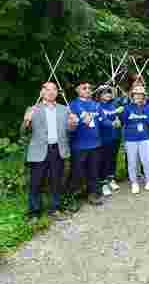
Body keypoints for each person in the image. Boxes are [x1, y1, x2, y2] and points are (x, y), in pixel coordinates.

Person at [22, 82, 77, 222]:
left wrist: (73, 124)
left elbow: (70, 131)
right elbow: (23, 132)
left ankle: (55, 209)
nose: (51, 92)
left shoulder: (64, 109)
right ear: (42, 92)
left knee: (56, 181)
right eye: (48, 89)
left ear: (57, 93)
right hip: (39, 151)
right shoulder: (33, 109)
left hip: (57, 150)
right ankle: (34, 212)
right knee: (36, 182)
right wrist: (26, 121)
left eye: (54, 89)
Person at [68, 80, 110, 207]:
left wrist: (115, 121)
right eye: (84, 88)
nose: (87, 90)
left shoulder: (96, 105)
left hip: (95, 144)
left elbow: (104, 121)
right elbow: (68, 126)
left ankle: (93, 194)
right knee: (77, 172)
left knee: (94, 172)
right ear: (77, 90)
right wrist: (76, 122)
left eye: (89, 88)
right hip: (79, 146)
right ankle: (72, 198)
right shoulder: (72, 105)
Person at [120, 85, 149, 194]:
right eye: (136, 94)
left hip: (144, 137)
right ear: (132, 95)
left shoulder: (148, 107)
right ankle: (134, 182)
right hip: (130, 138)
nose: (138, 96)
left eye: (140, 94)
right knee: (132, 161)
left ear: (144, 96)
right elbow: (123, 120)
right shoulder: (127, 107)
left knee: (146, 160)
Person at [97, 86, 122, 197]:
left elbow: (117, 117)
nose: (108, 94)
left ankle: (111, 179)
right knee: (103, 161)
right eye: (105, 92)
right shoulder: (97, 106)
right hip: (103, 138)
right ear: (99, 95)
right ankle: (103, 184)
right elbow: (102, 120)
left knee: (112, 159)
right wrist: (112, 122)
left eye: (109, 92)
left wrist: (118, 119)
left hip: (115, 137)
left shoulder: (113, 105)